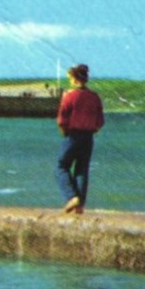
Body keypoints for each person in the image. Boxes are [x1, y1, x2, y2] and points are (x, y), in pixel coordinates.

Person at [55, 63, 105, 214]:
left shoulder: (70, 96)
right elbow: (100, 120)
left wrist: (64, 131)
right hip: (88, 136)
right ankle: (80, 205)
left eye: (70, 77)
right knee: (82, 169)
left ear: (74, 78)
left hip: (73, 135)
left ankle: (72, 197)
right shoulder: (94, 96)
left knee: (62, 166)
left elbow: (62, 119)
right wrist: (94, 128)